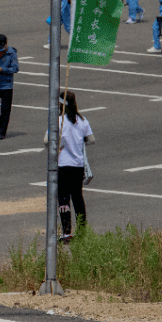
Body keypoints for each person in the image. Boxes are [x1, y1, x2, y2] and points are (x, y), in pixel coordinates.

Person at [47, 91, 94, 241]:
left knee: (63, 199)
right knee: (78, 197)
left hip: (63, 164)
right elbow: (91, 139)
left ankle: (67, 232)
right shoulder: (82, 120)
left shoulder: (59, 121)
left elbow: (46, 140)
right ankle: (82, 230)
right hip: (78, 165)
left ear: (60, 104)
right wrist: (80, 140)